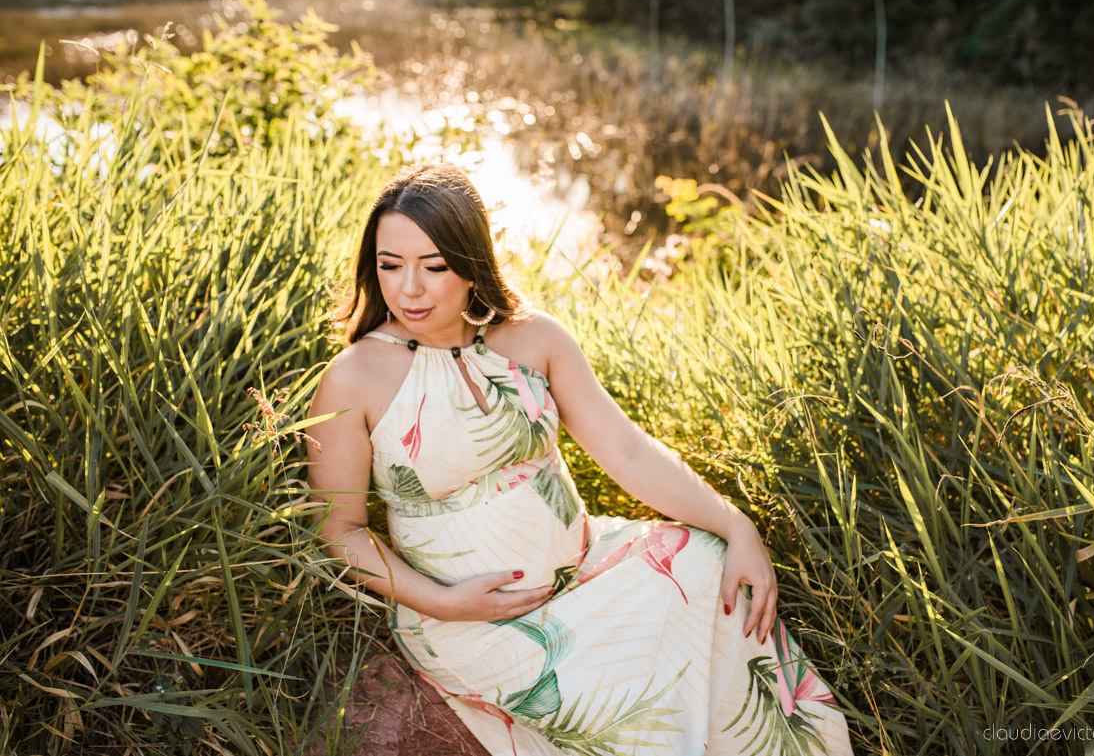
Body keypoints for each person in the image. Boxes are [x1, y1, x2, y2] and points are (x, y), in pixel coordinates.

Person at [306, 162, 853, 755]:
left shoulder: (533, 338)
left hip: (588, 569)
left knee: (707, 563)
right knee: (630, 701)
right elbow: (339, 528)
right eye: (390, 265)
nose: (409, 288)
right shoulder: (354, 377)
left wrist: (736, 524)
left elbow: (627, 450)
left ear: (470, 262)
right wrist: (442, 602)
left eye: (434, 266)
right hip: (471, 621)